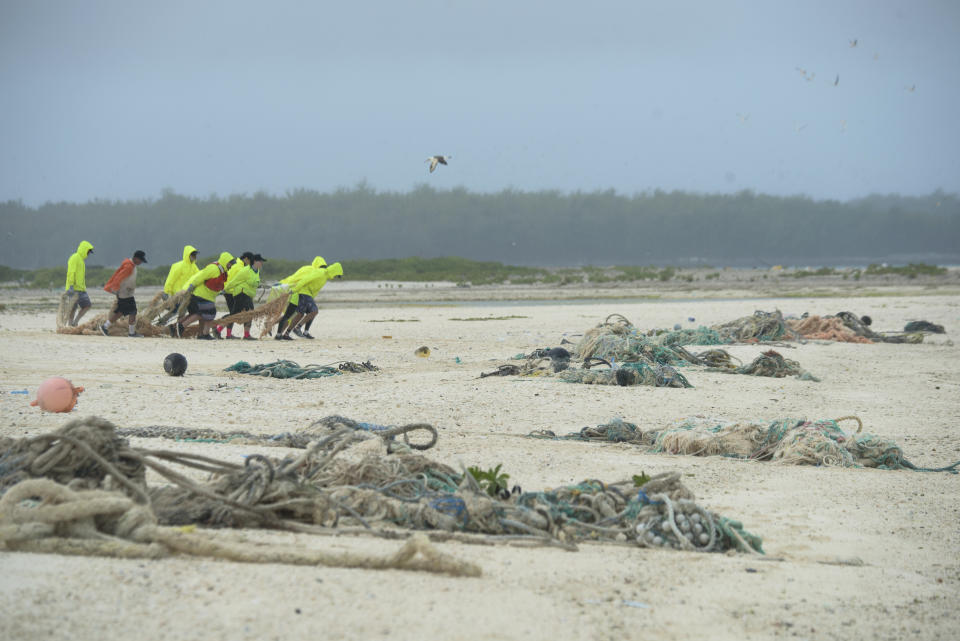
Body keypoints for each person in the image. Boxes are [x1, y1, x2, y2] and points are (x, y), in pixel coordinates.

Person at [171, 251, 235, 340]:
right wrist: (191, 286)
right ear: (225, 261)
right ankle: (182, 326)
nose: (231, 265)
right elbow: (201, 277)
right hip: (200, 294)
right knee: (208, 313)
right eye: (230, 263)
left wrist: (223, 291)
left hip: (208, 297)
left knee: (204, 314)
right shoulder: (214, 268)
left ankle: (201, 334)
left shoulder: (222, 271)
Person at [277, 261, 343, 340]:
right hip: (304, 293)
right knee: (314, 311)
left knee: (300, 314)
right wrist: (295, 289)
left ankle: (286, 334)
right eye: (336, 275)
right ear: (334, 271)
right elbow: (305, 279)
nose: (335, 277)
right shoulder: (321, 273)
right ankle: (297, 328)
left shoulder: (325, 277)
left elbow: (314, 289)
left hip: (306, 294)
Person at [274, 256, 327, 339]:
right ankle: (279, 333)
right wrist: (282, 283)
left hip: (303, 296)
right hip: (298, 295)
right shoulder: (311, 270)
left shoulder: (318, 272)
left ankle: (293, 333)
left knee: (307, 313)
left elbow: (294, 277)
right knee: (290, 316)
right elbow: (296, 278)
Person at [99, 250, 147, 337]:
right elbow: (118, 278)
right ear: (136, 258)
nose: (141, 262)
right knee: (132, 311)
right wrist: (115, 290)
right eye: (140, 260)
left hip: (126, 293)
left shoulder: (132, 265)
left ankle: (105, 326)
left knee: (121, 312)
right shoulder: (129, 266)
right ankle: (131, 333)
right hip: (125, 293)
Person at [219, 253, 265, 340]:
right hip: (241, 294)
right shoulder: (245, 270)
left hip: (248, 294)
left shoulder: (257, 271)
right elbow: (235, 280)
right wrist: (225, 289)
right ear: (255, 262)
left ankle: (222, 330)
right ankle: (221, 329)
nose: (262, 263)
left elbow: (254, 282)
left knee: (239, 314)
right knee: (245, 313)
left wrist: (258, 285)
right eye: (261, 261)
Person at [157, 245, 199, 325]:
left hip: (187, 294)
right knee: (174, 312)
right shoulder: (178, 266)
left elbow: (199, 277)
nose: (195, 256)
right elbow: (170, 279)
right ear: (188, 255)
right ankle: (161, 323)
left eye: (195, 255)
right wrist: (166, 292)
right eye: (193, 254)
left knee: (182, 312)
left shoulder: (194, 267)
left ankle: (177, 327)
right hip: (178, 294)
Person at [216, 251, 254, 338]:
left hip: (229, 292)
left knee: (233, 313)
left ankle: (227, 333)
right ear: (246, 259)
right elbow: (238, 281)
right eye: (250, 261)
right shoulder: (239, 267)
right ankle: (219, 328)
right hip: (234, 292)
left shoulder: (238, 265)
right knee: (241, 313)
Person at [64, 240, 95, 326]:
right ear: (84, 250)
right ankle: (70, 325)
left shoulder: (82, 260)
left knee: (87, 305)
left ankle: (75, 322)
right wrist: (70, 286)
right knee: (73, 308)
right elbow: (71, 272)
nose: (89, 254)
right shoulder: (75, 257)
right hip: (73, 288)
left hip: (81, 288)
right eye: (89, 251)